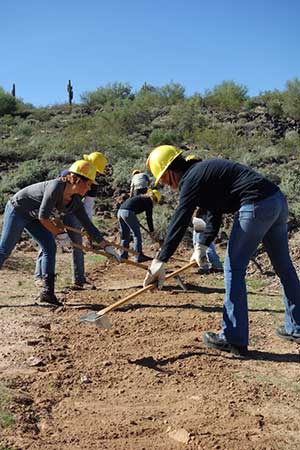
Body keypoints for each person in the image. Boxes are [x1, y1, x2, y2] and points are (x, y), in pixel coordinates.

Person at [143, 145, 300, 356]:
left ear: (169, 171)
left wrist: (160, 260)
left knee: (233, 269)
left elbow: (180, 219)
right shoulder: (203, 173)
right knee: (284, 268)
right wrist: (202, 246)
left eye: (162, 179)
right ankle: (297, 327)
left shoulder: (191, 179)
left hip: (255, 205)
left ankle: (233, 338)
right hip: (277, 201)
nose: (165, 185)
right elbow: (212, 213)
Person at [0, 160, 120, 306]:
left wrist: (106, 246)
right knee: (5, 249)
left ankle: (47, 293)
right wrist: (60, 234)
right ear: (77, 179)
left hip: (33, 217)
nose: (89, 188)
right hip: (18, 210)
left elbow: (89, 226)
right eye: (88, 184)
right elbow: (44, 217)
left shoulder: (75, 201)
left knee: (50, 248)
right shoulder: (56, 186)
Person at [34, 152, 108, 289]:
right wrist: (55, 221)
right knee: (48, 239)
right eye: (96, 172)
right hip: (56, 208)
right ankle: (40, 276)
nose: (95, 177)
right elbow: (53, 195)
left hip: (74, 210)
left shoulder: (93, 184)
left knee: (77, 242)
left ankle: (79, 279)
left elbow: (88, 206)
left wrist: (87, 226)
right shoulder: (71, 172)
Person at [117, 189, 161, 263]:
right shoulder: (149, 201)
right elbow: (149, 217)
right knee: (136, 234)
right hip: (128, 213)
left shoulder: (141, 197)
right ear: (155, 199)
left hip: (120, 212)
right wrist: (152, 231)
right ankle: (138, 256)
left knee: (125, 235)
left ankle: (123, 256)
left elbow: (131, 206)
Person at [193, 208, 223, 274]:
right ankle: (216, 265)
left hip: (202, 217)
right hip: (204, 217)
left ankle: (205, 267)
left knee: (202, 243)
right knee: (204, 242)